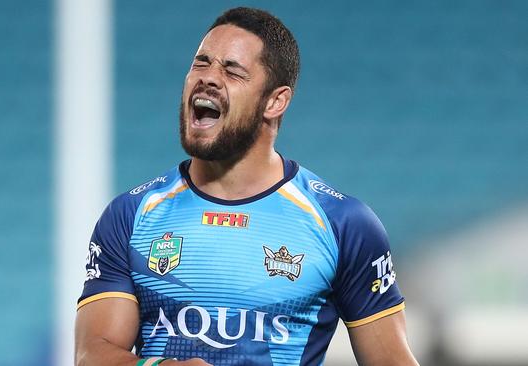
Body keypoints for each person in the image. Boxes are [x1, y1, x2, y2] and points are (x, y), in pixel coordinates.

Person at [75, 7, 419, 366]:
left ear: (275, 101)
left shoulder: (343, 223)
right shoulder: (131, 215)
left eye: (232, 71)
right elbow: (91, 354)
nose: (208, 78)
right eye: (201, 63)